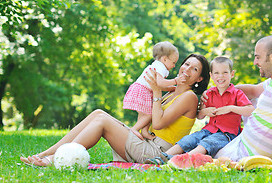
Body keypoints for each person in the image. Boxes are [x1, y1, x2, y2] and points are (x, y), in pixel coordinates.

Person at [20, 54, 210, 166]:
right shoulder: (171, 92)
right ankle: (46, 154)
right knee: (98, 113)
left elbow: (159, 122)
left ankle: (56, 159)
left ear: (199, 79)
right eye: (186, 64)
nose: (187, 69)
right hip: (147, 143)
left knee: (102, 122)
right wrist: (137, 128)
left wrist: (156, 90)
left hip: (158, 153)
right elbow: (151, 117)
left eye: (194, 69)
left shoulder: (189, 97)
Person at [213, 36, 272, 166]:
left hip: (241, 154)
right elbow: (253, 91)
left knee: (199, 149)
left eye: (258, 57)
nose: (255, 62)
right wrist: (216, 93)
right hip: (242, 145)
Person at [150, 56, 254, 162]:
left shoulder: (237, 94)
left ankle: (181, 160)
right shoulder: (209, 94)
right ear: (211, 76)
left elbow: (250, 110)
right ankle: (162, 158)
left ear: (232, 74)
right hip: (208, 129)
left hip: (226, 133)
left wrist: (230, 108)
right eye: (217, 73)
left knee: (207, 143)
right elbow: (199, 116)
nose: (220, 76)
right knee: (188, 140)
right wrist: (205, 111)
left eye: (225, 73)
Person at [123, 41, 186, 140]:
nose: (174, 66)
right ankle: (135, 129)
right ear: (164, 59)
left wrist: (172, 88)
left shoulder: (158, 65)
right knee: (149, 114)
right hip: (142, 91)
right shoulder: (160, 67)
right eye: (173, 62)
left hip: (142, 90)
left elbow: (159, 85)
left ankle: (144, 131)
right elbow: (160, 83)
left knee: (144, 114)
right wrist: (175, 81)